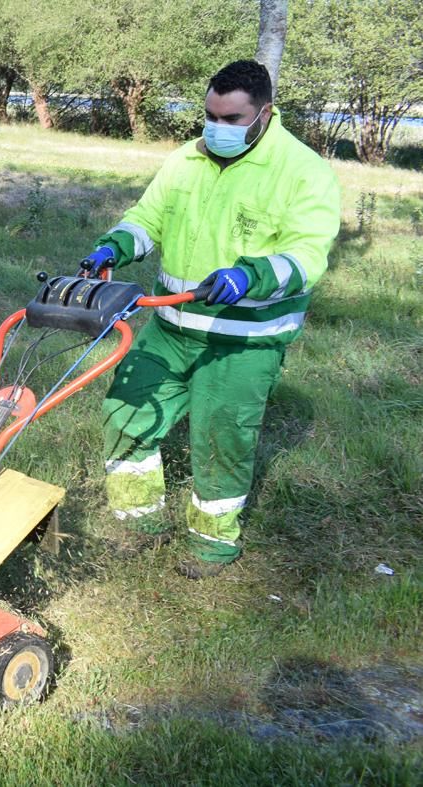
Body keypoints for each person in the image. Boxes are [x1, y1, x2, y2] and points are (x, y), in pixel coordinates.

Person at [84, 59, 341, 579]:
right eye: (209, 116)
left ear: (264, 114)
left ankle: (212, 544)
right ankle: (139, 521)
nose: (216, 129)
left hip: (244, 341)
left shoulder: (303, 171)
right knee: (124, 412)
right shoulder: (186, 159)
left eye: (231, 119)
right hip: (172, 328)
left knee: (222, 439)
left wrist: (252, 277)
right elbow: (147, 219)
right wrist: (115, 243)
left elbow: (308, 255)